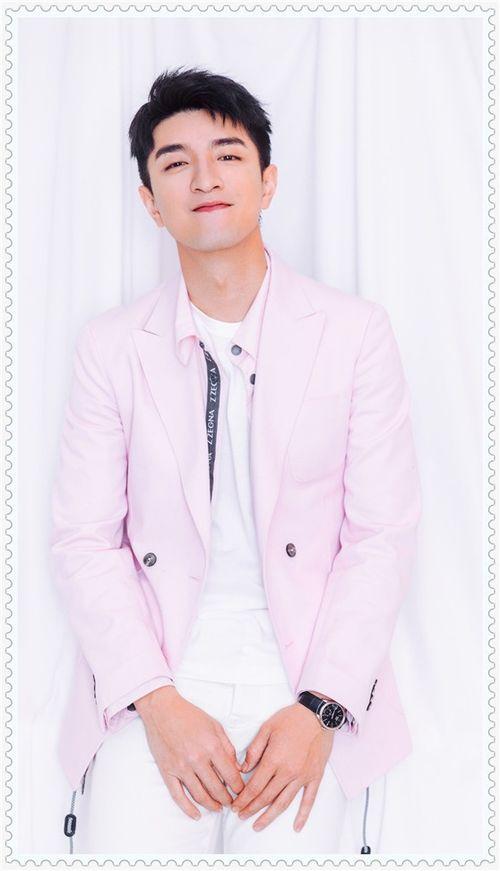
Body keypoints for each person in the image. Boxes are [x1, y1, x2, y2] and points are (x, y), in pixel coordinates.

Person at [50, 65, 422, 856]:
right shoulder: (110, 347)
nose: (205, 177)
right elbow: (83, 540)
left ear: (268, 181)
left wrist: (319, 707)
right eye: (176, 161)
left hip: (304, 682)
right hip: (154, 679)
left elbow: (382, 536)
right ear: (150, 200)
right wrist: (158, 702)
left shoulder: (354, 334)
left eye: (227, 154)